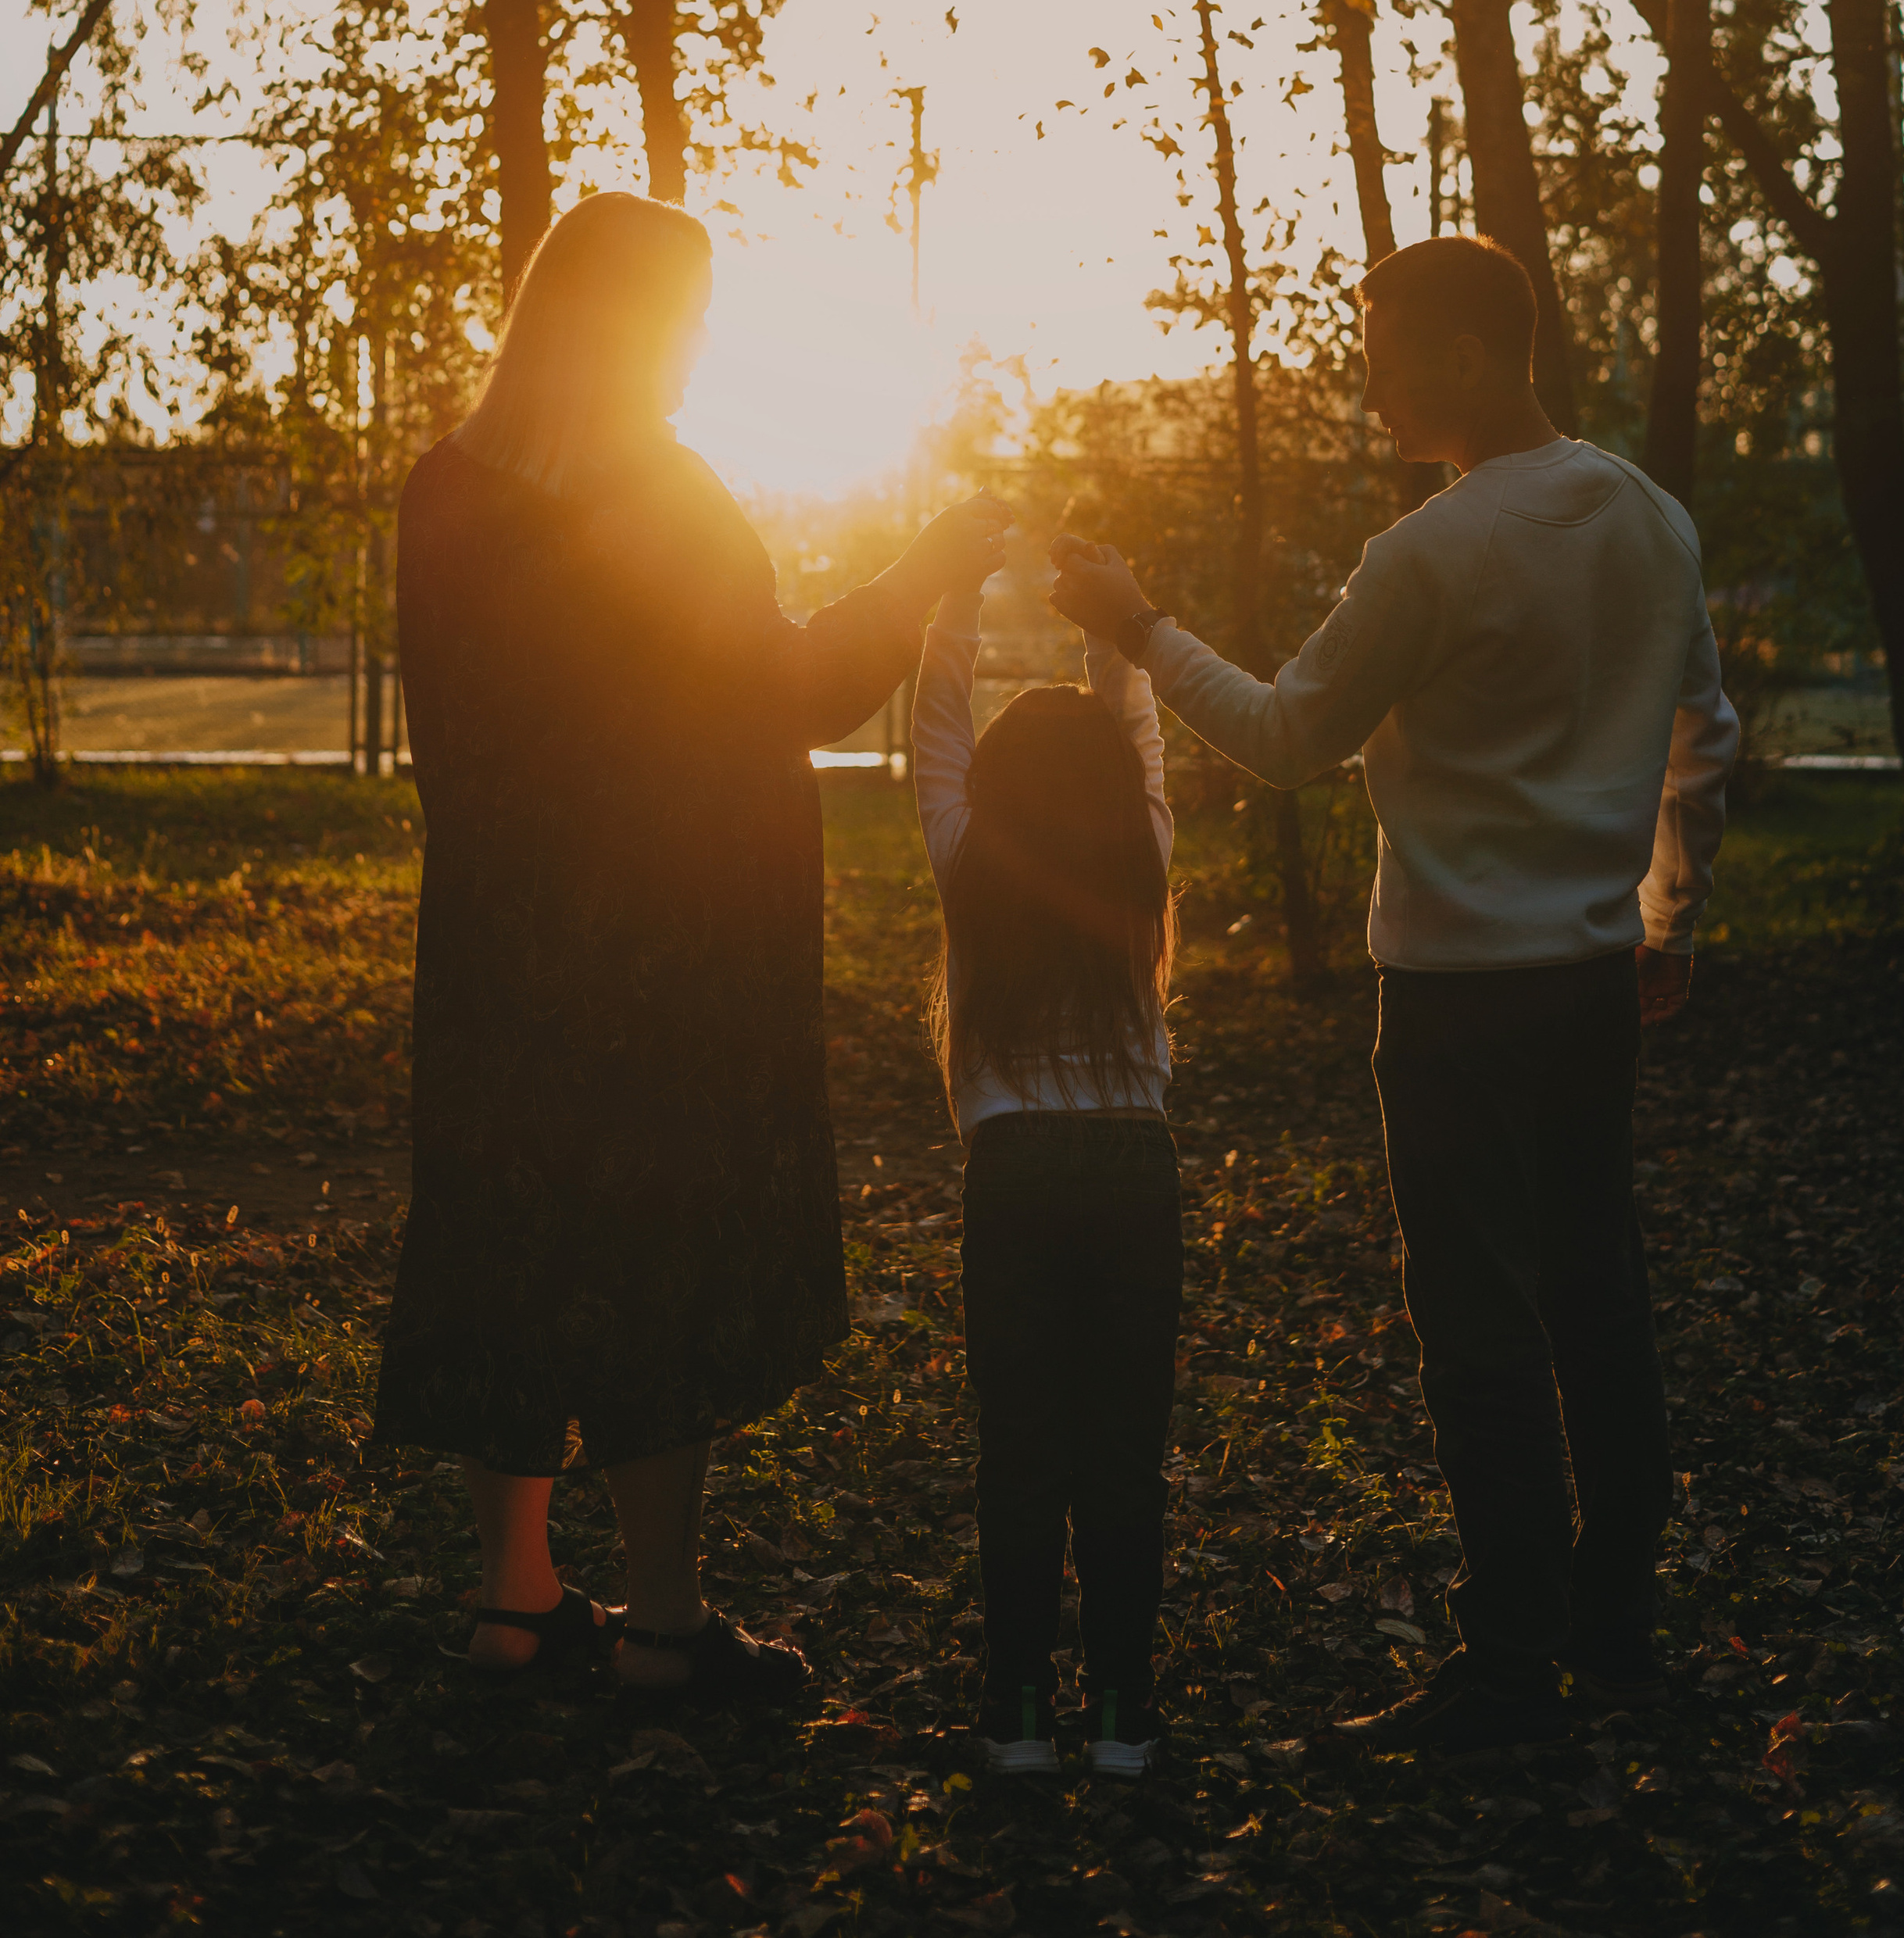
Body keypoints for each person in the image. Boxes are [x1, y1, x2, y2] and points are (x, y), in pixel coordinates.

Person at [1049, 236, 1738, 1761]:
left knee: (1478, 1322)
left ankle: (1507, 1671)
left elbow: (1289, 739)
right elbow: (1703, 730)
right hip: (1582, 987)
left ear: (1473, 357)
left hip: (1450, 1003)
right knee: (1594, 1294)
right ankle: (1614, 1633)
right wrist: (1664, 921)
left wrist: (1134, 628)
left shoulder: (1431, 551)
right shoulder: (1646, 517)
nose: (1363, 371)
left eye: (1382, 343)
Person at [369, 190, 1009, 1699]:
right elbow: (779, 690)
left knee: (507, 1240)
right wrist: (918, 579)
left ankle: (513, 1606)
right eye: (693, 315)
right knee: (659, 1251)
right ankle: (664, 1625)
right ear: (643, 326)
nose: (704, 342)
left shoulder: (441, 494)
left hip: (498, 945)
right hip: (661, 947)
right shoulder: (657, 498)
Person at [912, 538, 1182, 1778]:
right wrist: (1112, 629)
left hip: (1014, 1171)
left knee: (1019, 1446)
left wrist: (955, 601)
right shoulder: (1142, 859)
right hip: (1134, 1170)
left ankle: (1019, 1713)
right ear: (1118, 794)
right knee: (1124, 1445)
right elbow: (1144, 732)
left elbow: (938, 733)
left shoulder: (972, 860)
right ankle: (1122, 1717)